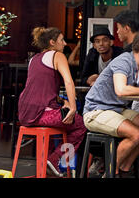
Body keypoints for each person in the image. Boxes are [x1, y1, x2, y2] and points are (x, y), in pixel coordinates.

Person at [83, 30, 139, 178]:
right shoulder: (124, 61)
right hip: (96, 111)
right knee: (135, 134)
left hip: (116, 109)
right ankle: (112, 173)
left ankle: (125, 167)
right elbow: (121, 89)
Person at [18, 27, 86, 177]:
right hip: (42, 114)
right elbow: (69, 82)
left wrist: (63, 102)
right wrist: (73, 107)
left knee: (53, 128)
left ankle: (45, 168)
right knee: (80, 125)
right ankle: (55, 161)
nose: (65, 43)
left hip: (25, 113)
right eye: (62, 40)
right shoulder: (57, 55)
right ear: (52, 42)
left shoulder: (33, 60)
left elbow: (42, 90)